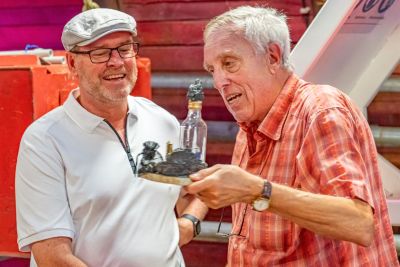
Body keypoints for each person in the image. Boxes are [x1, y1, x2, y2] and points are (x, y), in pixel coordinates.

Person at [185, 6, 399, 266]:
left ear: (273, 57)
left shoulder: (319, 111)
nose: (219, 81)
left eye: (229, 63)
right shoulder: (251, 124)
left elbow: (359, 223)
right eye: (212, 70)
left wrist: (257, 191)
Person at [15, 8, 207, 267]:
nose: (116, 62)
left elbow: (193, 190)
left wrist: (189, 223)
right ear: (73, 64)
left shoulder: (162, 122)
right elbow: (54, 258)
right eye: (100, 52)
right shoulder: (45, 141)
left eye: (125, 48)